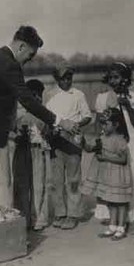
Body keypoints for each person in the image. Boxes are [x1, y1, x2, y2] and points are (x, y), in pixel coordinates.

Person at [0, 26, 79, 212]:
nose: (28, 61)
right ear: (21, 47)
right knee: (0, 183)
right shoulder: (9, 64)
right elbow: (27, 99)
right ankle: (3, 231)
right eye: (29, 55)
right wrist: (60, 121)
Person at [88, 63, 134, 224]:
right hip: (110, 142)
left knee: (130, 174)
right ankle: (109, 214)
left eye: (117, 77)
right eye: (111, 77)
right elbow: (98, 123)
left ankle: (129, 214)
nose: (113, 81)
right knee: (111, 176)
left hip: (131, 141)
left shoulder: (133, 97)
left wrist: (127, 104)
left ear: (125, 79)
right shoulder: (102, 98)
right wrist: (100, 143)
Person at [45, 64, 92, 230]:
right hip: (55, 140)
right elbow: (46, 117)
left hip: (73, 140)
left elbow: (87, 116)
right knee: (57, 180)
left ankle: (73, 214)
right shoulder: (49, 94)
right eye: (63, 78)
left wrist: (74, 124)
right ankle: (60, 212)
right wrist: (54, 128)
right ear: (56, 79)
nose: (67, 81)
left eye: (69, 78)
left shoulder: (78, 94)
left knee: (73, 179)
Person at [81, 108, 132, 240]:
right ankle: (113, 226)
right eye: (102, 123)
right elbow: (89, 148)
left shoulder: (120, 139)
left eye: (106, 124)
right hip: (107, 175)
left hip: (119, 175)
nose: (103, 126)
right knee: (111, 200)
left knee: (120, 202)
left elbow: (123, 159)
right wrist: (81, 140)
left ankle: (121, 227)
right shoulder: (102, 138)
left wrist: (106, 158)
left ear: (116, 125)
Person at [11, 79, 52, 231]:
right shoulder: (19, 114)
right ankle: (23, 218)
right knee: (21, 184)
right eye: (32, 95)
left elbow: (48, 133)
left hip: (38, 150)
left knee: (39, 184)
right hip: (22, 151)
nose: (37, 99)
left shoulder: (45, 114)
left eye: (39, 95)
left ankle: (39, 218)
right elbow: (12, 132)